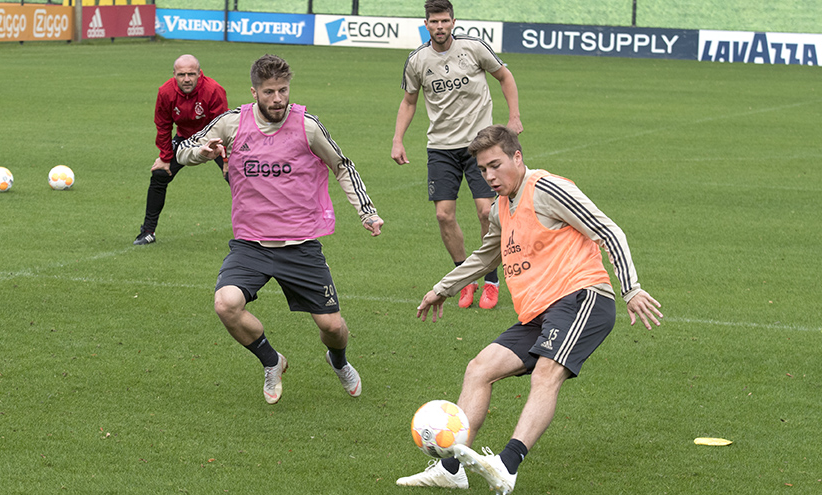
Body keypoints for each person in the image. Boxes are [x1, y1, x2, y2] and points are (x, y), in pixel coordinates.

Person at [397, 125, 662, 494]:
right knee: (479, 369)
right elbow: (485, 256)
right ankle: (451, 469)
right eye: (483, 170)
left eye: (496, 165)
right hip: (539, 313)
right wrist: (442, 289)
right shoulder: (501, 208)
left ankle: (507, 466)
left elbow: (608, 230)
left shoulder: (547, 188)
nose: (490, 176)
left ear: (517, 157)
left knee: (546, 373)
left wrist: (630, 288)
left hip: (582, 297)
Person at [176, 55, 384, 404]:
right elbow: (182, 148)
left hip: (300, 245)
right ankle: (272, 361)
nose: (277, 99)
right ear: (254, 92)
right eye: (269, 92)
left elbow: (342, 166)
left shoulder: (307, 126)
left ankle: (339, 361)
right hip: (251, 245)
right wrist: (202, 152)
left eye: (283, 91)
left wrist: (367, 212)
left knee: (332, 327)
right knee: (226, 304)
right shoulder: (232, 122)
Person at [391, 0, 523, 310]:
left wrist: (514, 117)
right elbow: (409, 101)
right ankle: (464, 277)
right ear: (426, 24)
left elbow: (505, 76)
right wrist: (398, 139)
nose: (440, 26)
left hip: (480, 145)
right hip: (440, 147)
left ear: (453, 22)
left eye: (444, 21)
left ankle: (491, 279)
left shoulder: (473, 48)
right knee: (443, 215)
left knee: (486, 212)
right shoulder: (417, 60)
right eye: (434, 21)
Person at [133, 54, 229, 245]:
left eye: (191, 74)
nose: (186, 79)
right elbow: (163, 125)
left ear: (199, 74)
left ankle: (256, 232)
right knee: (159, 174)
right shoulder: (165, 91)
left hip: (214, 139)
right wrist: (164, 157)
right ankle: (148, 232)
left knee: (238, 178)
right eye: (181, 74)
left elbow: (223, 126)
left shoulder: (214, 90)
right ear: (174, 74)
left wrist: (226, 161)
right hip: (185, 139)